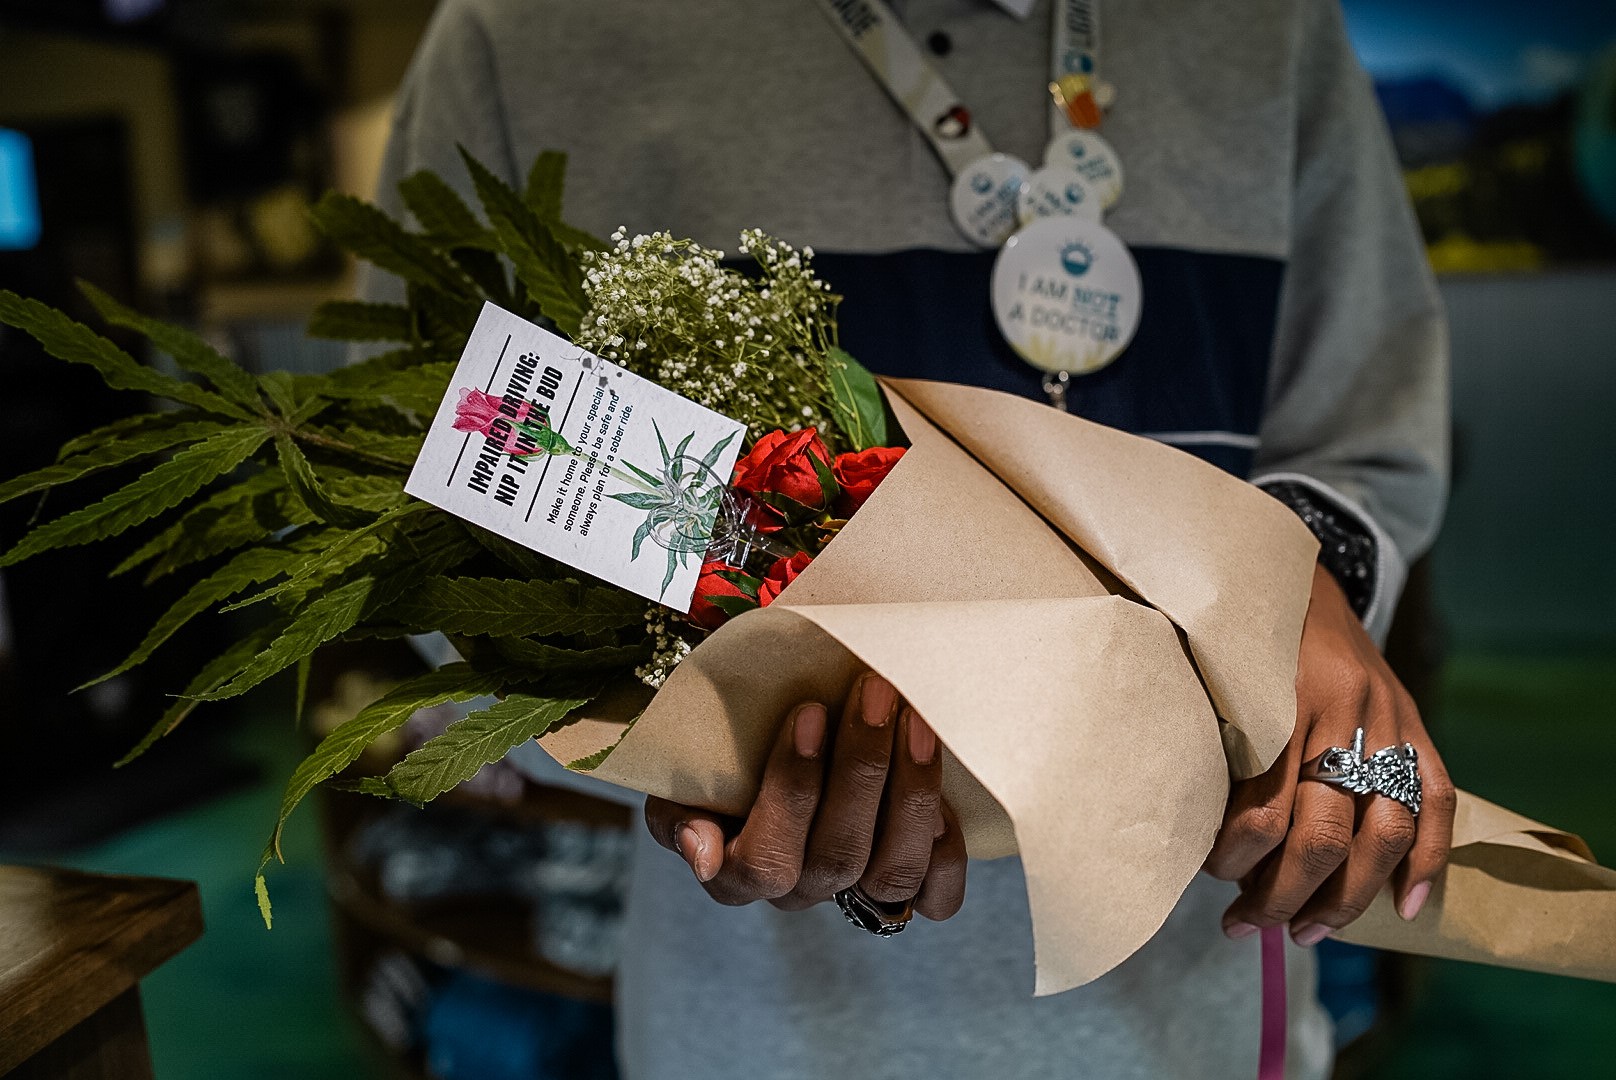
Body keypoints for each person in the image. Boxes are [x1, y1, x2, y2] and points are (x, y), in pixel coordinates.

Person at [364, 1, 1455, 1076]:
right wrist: (716, 748)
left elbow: (1359, 429)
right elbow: (414, 517)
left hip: (1196, 1004)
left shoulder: (1267, 27)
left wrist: (1300, 584)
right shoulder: (524, 35)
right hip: (753, 1021)